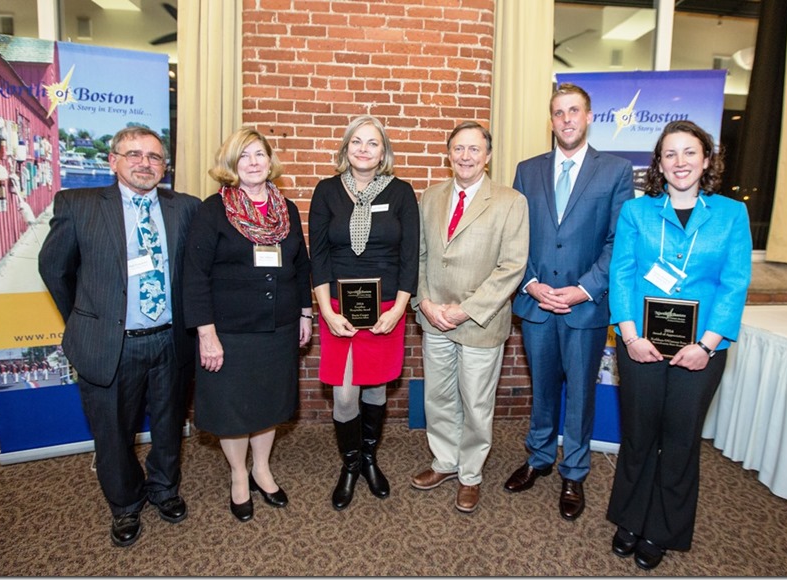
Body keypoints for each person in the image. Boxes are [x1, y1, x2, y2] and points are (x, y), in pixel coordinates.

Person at [39, 126, 200, 547]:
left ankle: (164, 489)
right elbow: (55, 270)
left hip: (169, 340)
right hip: (110, 343)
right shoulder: (79, 204)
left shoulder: (186, 208)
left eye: (154, 157)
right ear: (113, 161)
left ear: (165, 167)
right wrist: (87, 316)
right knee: (112, 431)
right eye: (134, 154)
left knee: (169, 424)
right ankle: (126, 504)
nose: (144, 163)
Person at [605, 120, 752, 570]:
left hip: (701, 350)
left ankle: (663, 528)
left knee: (681, 440)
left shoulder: (730, 214)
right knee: (639, 434)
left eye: (690, 153)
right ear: (659, 164)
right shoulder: (637, 213)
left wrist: (706, 345)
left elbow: (734, 284)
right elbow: (622, 275)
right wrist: (629, 336)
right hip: (641, 345)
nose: (680, 162)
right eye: (670, 154)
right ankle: (630, 518)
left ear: (707, 160)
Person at [504, 83, 634, 521]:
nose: (566, 120)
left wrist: (584, 288)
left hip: (586, 306)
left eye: (574, 111)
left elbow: (620, 242)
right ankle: (539, 458)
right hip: (537, 304)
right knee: (542, 390)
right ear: (551, 120)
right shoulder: (527, 170)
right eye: (558, 113)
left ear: (589, 115)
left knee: (580, 394)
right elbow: (515, 238)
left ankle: (574, 471)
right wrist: (531, 283)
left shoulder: (615, 171)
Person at [183, 128, 313, 523]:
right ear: (231, 165)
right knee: (234, 409)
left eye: (260, 154)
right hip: (231, 332)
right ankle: (239, 475)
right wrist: (206, 334)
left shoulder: (285, 209)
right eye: (244, 156)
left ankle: (262, 468)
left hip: (279, 329)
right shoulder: (213, 210)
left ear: (270, 161)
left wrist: (305, 313)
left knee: (268, 404)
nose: (254, 163)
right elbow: (195, 275)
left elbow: (300, 264)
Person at [411, 121, 529, 513]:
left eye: (474, 149)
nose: (465, 156)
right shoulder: (430, 197)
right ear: (448, 154)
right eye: (458, 149)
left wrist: (465, 310)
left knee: (476, 403)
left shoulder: (511, 201)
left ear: (488, 156)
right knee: (439, 397)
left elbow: (512, 267)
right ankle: (445, 461)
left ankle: (470, 474)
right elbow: (421, 257)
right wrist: (425, 303)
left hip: (479, 321)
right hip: (434, 318)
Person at [309, 115, 419, 510]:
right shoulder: (326, 192)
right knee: (343, 393)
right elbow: (318, 257)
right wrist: (325, 310)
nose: (364, 149)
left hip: (388, 306)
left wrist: (400, 310)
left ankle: (370, 460)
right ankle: (350, 464)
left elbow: (410, 258)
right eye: (357, 141)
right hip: (337, 307)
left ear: (383, 152)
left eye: (373, 143)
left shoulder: (402, 192)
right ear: (346, 147)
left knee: (374, 387)